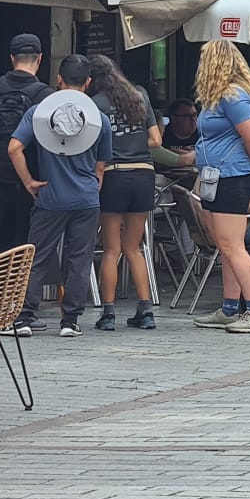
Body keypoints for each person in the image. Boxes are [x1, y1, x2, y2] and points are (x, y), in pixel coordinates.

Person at [8, 56, 112, 338]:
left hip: (50, 197)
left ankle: (26, 317)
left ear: (58, 79)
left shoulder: (39, 114)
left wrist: (29, 181)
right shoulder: (99, 119)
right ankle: (70, 321)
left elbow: (14, 147)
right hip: (86, 199)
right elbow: (100, 166)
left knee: (37, 257)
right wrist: (93, 187)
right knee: (79, 259)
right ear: (88, 83)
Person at [190, 38, 250, 334]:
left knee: (232, 245)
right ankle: (229, 308)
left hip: (232, 177)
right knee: (225, 246)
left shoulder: (233, 96)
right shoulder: (217, 98)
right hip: (218, 176)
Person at [90, 56, 160, 331]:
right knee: (133, 247)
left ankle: (108, 314)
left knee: (111, 248)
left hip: (114, 173)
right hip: (144, 172)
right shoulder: (139, 95)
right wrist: (134, 141)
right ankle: (145, 311)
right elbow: (156, 140)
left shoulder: (96, 104)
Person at [0, 34, 51, 254]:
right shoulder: (45, 96)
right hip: (35, 180)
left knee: (3, 238)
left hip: (1, 177)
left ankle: (0, 286)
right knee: (29, 240)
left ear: (12, 58)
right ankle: (24, 287)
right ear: (39, 59)